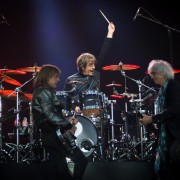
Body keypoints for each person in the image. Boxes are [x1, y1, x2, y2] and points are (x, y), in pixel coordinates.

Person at [63, 22, 115, 160]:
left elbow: (104, 54)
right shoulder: (71, 79)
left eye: (94, 65)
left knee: (103, 132)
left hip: (97, 114)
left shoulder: (95, 75)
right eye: (90, 65)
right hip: (78, 117)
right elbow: (66, 101)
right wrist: (74, 106)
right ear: (81, 66)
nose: (93, 68)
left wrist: (110, 33)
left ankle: (103, 155)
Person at [31, 64, 88, 180]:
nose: (58, 80)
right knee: (81, 160)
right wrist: (67, 125)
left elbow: (50, 114)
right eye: (55, 77)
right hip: (54, 136)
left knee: (61, 171)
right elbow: (50, 115)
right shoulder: (44, 92)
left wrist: (65, 120)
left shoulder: (41, 92)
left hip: (49, 136)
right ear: (47, 77)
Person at [139, 60, 180, 180]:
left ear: (161, 73)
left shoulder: (173, 86)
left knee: (173, 154)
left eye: (153, 73)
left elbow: (175, 109)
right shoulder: (163, 90)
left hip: (177, 132)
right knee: (165, 163)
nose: (151, 77)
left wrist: (152, 118)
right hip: (170, 132)